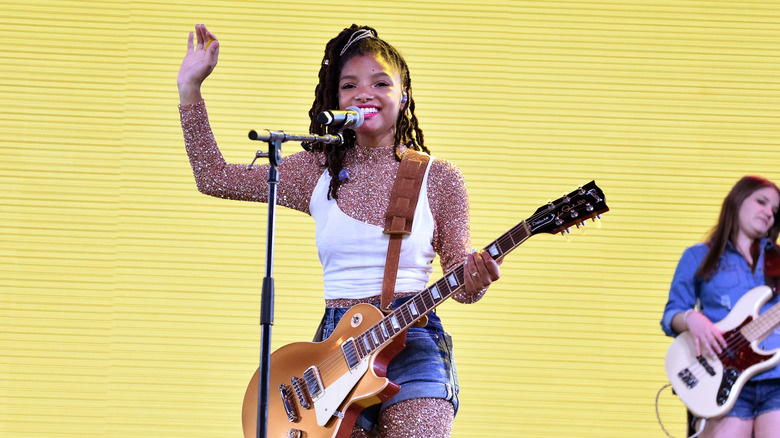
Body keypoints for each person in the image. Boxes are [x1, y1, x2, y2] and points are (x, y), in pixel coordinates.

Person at [177, 24, 501, 438]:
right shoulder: (316, 171)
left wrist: (478, 276)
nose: (364, 93)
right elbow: (215, 177)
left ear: (403, 96)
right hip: (335, 351)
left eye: (380, 83)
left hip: (413, 338)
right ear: (336, 99)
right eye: (350, 86)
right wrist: (190, 88)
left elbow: (465, 282)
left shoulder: (439, 178)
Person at [661, 175, 780, 438]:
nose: (769, 213)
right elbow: (671, 315)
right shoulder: (697, 256)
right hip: (719, 375)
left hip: (777, 379)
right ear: (736, 202)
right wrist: (691, 319)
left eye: (774, 210)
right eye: (761, 202)